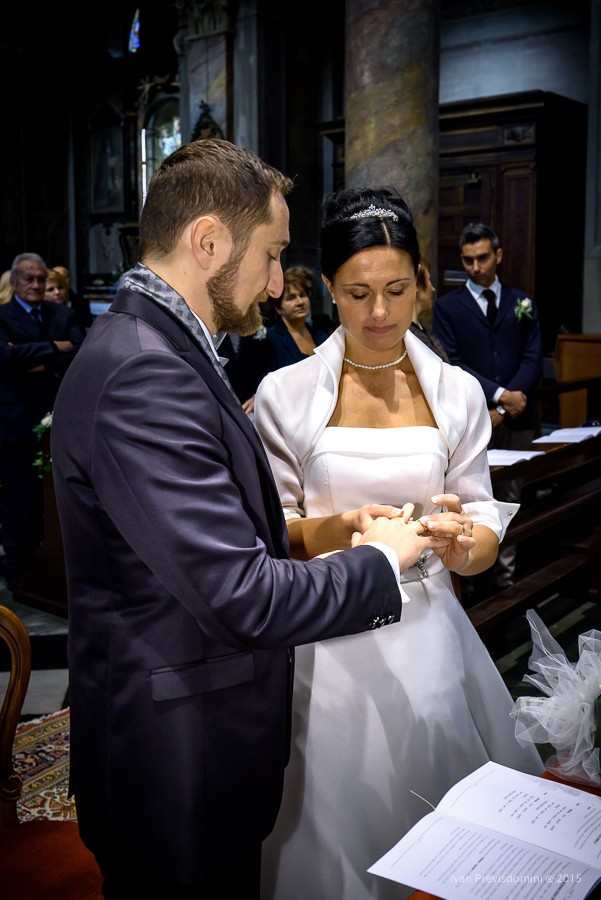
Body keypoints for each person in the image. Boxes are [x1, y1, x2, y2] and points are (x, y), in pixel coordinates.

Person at [49, 139, 454, 899]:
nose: (275, 283)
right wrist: (381, 557)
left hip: (192, 734)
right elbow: (244, 595)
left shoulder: (160, 346)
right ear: (207, 241)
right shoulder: (144, 369)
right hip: (177, 755)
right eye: (270, 254)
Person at [253, 188, 543, 900]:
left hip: (429, 625)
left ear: (421, 281)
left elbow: (481, 519)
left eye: (396, 290)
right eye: (357, 294)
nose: (379, 313)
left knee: (445, 829)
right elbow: (272, 532)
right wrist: (346, 532)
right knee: (338, 813)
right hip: (327, 633)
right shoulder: (286, 393)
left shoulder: (455, 391)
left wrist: (462, 545)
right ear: (328, 288)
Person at [432, 222, 544, 594]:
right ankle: (472, 582)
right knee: (472, 500)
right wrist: (498, 395)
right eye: (468, 260)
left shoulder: (522, 302)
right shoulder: (448, 307)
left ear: (498, 255)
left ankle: (506, 581)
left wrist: (512, 401)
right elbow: (454, 362)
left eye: (482, 258)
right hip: (472, 417)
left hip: (518, 418)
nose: (476, 267)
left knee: (512, 497)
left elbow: (532, 357)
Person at [0, 252, 83, 590]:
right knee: (21, 499)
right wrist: (53, 347)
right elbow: (5, 357)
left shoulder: (61, 313)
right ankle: (18, 570)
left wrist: (31, 355)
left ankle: (56, 568)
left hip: (60, 418)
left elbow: (79, 351)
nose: (35, 285)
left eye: (40, 279)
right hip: (18, 423)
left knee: (58, 499)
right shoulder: (3, 316)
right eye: (28, 279)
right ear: (14, 281)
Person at [227, 265, 328, 416]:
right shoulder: (270, 339)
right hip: (289, 414)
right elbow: (264, 379)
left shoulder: (323, 338)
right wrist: (257, 397)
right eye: (291, 298)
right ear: (279, 308)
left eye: (303, 295)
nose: (300, 302)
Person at [410, 260, 449, 361]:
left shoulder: (420, 330)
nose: (432, 289)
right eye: (429, 280)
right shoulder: (407, 335)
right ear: (417, 285)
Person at [52, 265, 94, 332]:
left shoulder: (82, 303)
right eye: (57, 278)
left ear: (70, 281)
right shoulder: (44, 303)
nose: (61, 281)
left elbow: (88, 327)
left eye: (63, 277)